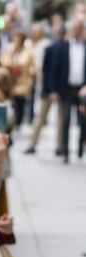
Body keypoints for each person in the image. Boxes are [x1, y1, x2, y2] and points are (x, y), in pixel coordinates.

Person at [49, 17, 86, 161]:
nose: (76, 31)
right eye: (73, 29)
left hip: (82, 89)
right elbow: (55, 69)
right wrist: (54, 90)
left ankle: (80, 145)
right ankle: (65, 151)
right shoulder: (62, 47)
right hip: (66, 89)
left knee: (83, 121)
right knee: (65, 120)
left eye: (78, 29)